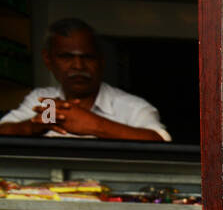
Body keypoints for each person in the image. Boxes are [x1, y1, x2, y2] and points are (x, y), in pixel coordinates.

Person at [0, 18, 170, 141]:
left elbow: (160, 142)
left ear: (101, 61)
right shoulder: (47, 102)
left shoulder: (132, 107)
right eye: (66, 57)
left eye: (88, 57)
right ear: (48, 60)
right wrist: (34, 126)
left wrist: (95, 125)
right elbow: (4, 131)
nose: (78, 66)